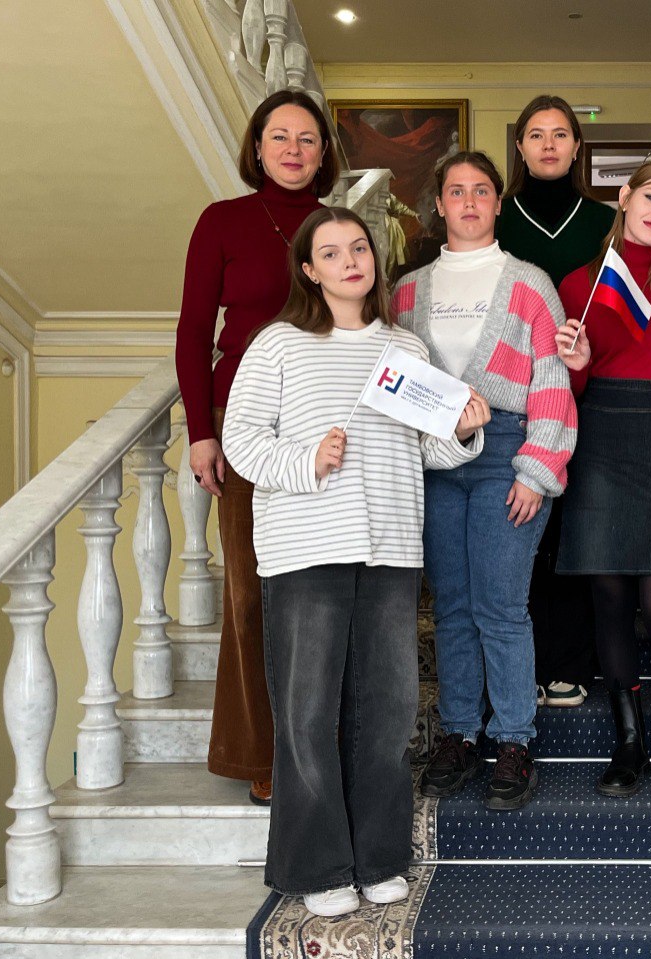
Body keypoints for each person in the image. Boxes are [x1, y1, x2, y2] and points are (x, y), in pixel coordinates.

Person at [221, 207, 489, 917]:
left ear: (375, 260)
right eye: (332, 252)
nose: (350, 261)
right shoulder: (278, 344)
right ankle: (319, 868)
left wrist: (463, 431)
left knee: (389, 712)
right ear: (309, 269)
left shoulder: (405, 347)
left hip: (392, 548)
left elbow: (427, 447)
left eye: (360, 248)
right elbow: (242, 441)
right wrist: (308, 461)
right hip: (305, 549)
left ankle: (378, 857)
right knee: (307, 714)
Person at [393, 151, 576, 811]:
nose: (468, 202)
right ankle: (459, 733)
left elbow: (551, 381)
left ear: (498, 203)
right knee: (451, 606)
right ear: (439, 204)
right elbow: (396, 384)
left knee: (500, 605)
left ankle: (514, 740)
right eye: (455, 191)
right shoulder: (406, 292)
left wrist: (537, 470)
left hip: (506, 450)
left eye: (480, 191)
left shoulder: (529, 284)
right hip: (435, 457)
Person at [175, 89, 339, 806]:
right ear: (258, 146)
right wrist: (200, 430)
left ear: (324, 153)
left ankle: (321, 740)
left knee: (320, 587)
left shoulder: (339, 226)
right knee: (249, 589)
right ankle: (262, 752)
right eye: (281, 137)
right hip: (241, 420)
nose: (294, 149)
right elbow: (192, 332)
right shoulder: (222, 221)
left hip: (323, 421)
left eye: (308, 138)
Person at [554, 154, 651, 797]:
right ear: (624, 198)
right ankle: (629, 743)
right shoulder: (578, 285)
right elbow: (567, 391)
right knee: (610, 604)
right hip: (601, 437)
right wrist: (579, 364)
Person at [497, 95, 614, 710]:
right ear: (519, 146)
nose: (548, 144)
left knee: (571, 531)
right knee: (517, 530)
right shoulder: (495, 216)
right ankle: (516, 663)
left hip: (583, 393)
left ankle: (568, 659)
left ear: (576, 146)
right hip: (508, 399)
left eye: (560, 134)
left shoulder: (604, 223)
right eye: (536, 134)